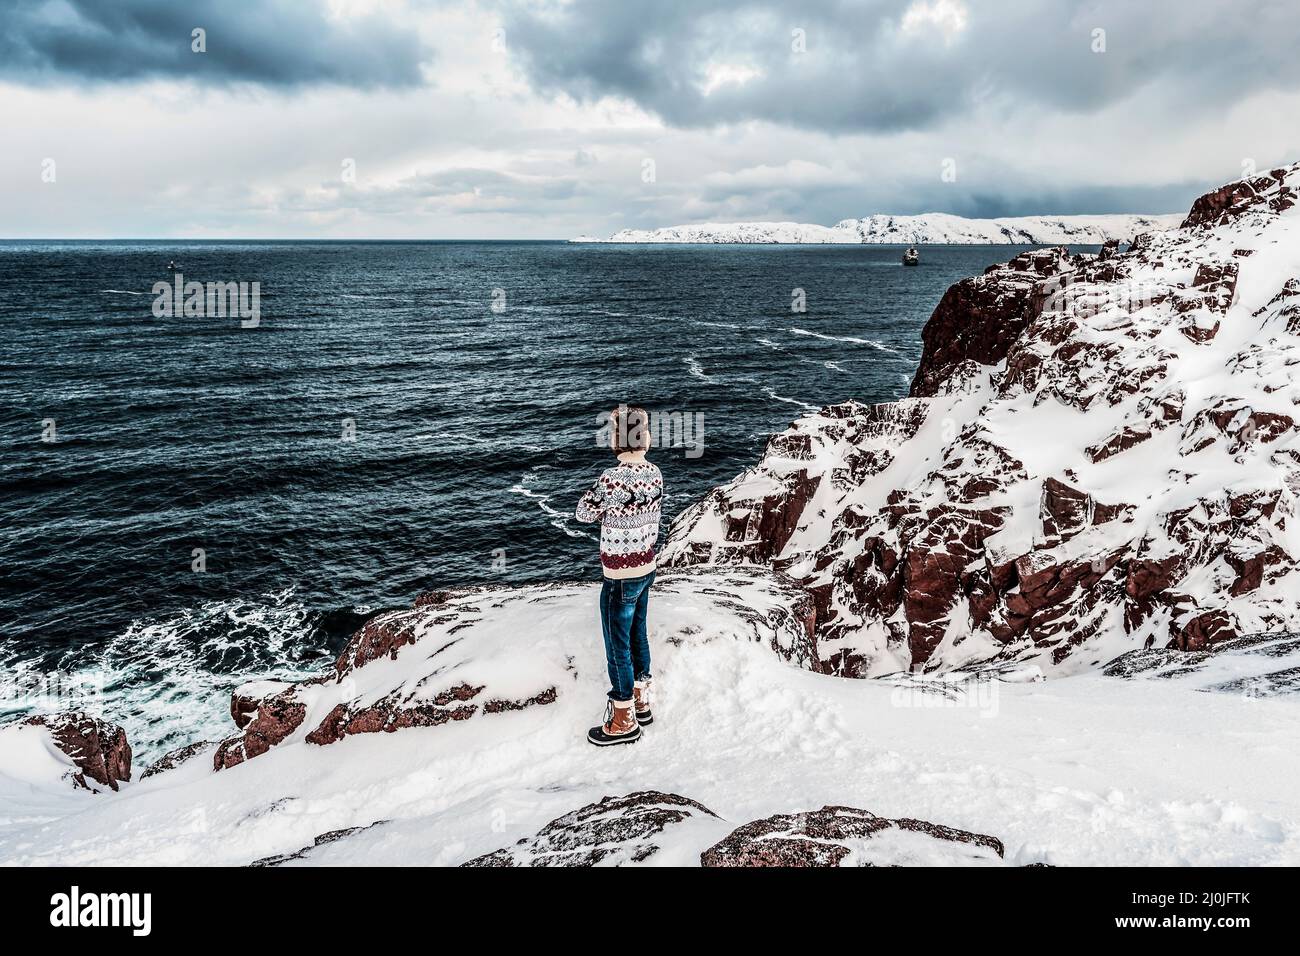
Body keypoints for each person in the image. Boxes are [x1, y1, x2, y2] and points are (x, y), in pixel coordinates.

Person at [575, 404, 663, 746]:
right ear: (645, 439)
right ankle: (642, 702)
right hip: (646, 568)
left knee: (618, 645)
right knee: (638, 634)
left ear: (616, 440)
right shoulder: (655, 473)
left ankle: (623, 718)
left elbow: (583, 512)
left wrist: (603, 506)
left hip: (619, 575)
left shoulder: (610, 479)